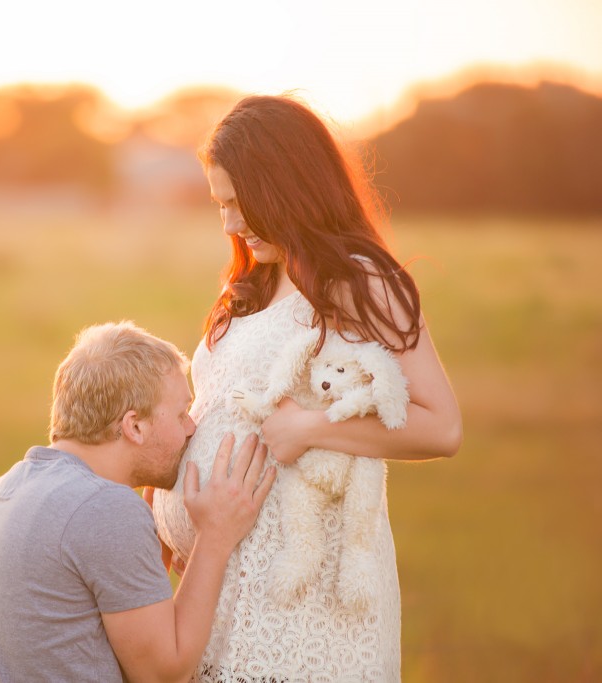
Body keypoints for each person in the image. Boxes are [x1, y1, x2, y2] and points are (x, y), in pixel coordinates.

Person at [151, 95, 463, 682]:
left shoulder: (357, 279)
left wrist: (312, 427)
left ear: (287, 189)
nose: (230, 224)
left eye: (241, 205)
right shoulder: (256, 281)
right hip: (222, 588)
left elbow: (443, 426)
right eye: (221, 206)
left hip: (302, 602)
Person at [0, 321, 277, 682]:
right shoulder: (104, 509)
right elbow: (164, 674)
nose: (191, 428)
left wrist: (155, 545)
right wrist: (215, 536)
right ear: (134, 426)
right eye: (180, 413)